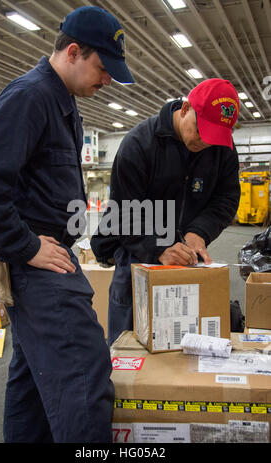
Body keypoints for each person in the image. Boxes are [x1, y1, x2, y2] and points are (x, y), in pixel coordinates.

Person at [0, 6, 134, 443]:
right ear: (74, 51)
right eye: (103, 68)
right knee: (84, 376)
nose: (108, 80)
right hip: (40, 270)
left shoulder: (64, 104)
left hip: (51, 258)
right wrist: (24, 246)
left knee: (32, 388)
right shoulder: (30, 96)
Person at [91, 78, 241, 346]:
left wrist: (198, 233)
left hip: (187, 260)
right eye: (200, 130)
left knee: (182, 346)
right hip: (136, 257)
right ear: (184, 109)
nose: (206, 142)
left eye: (214, 137)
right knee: (127, 347)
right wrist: (159, 246)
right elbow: (123, 213)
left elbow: (226, 198)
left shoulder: (223, 149)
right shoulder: (138, 145)